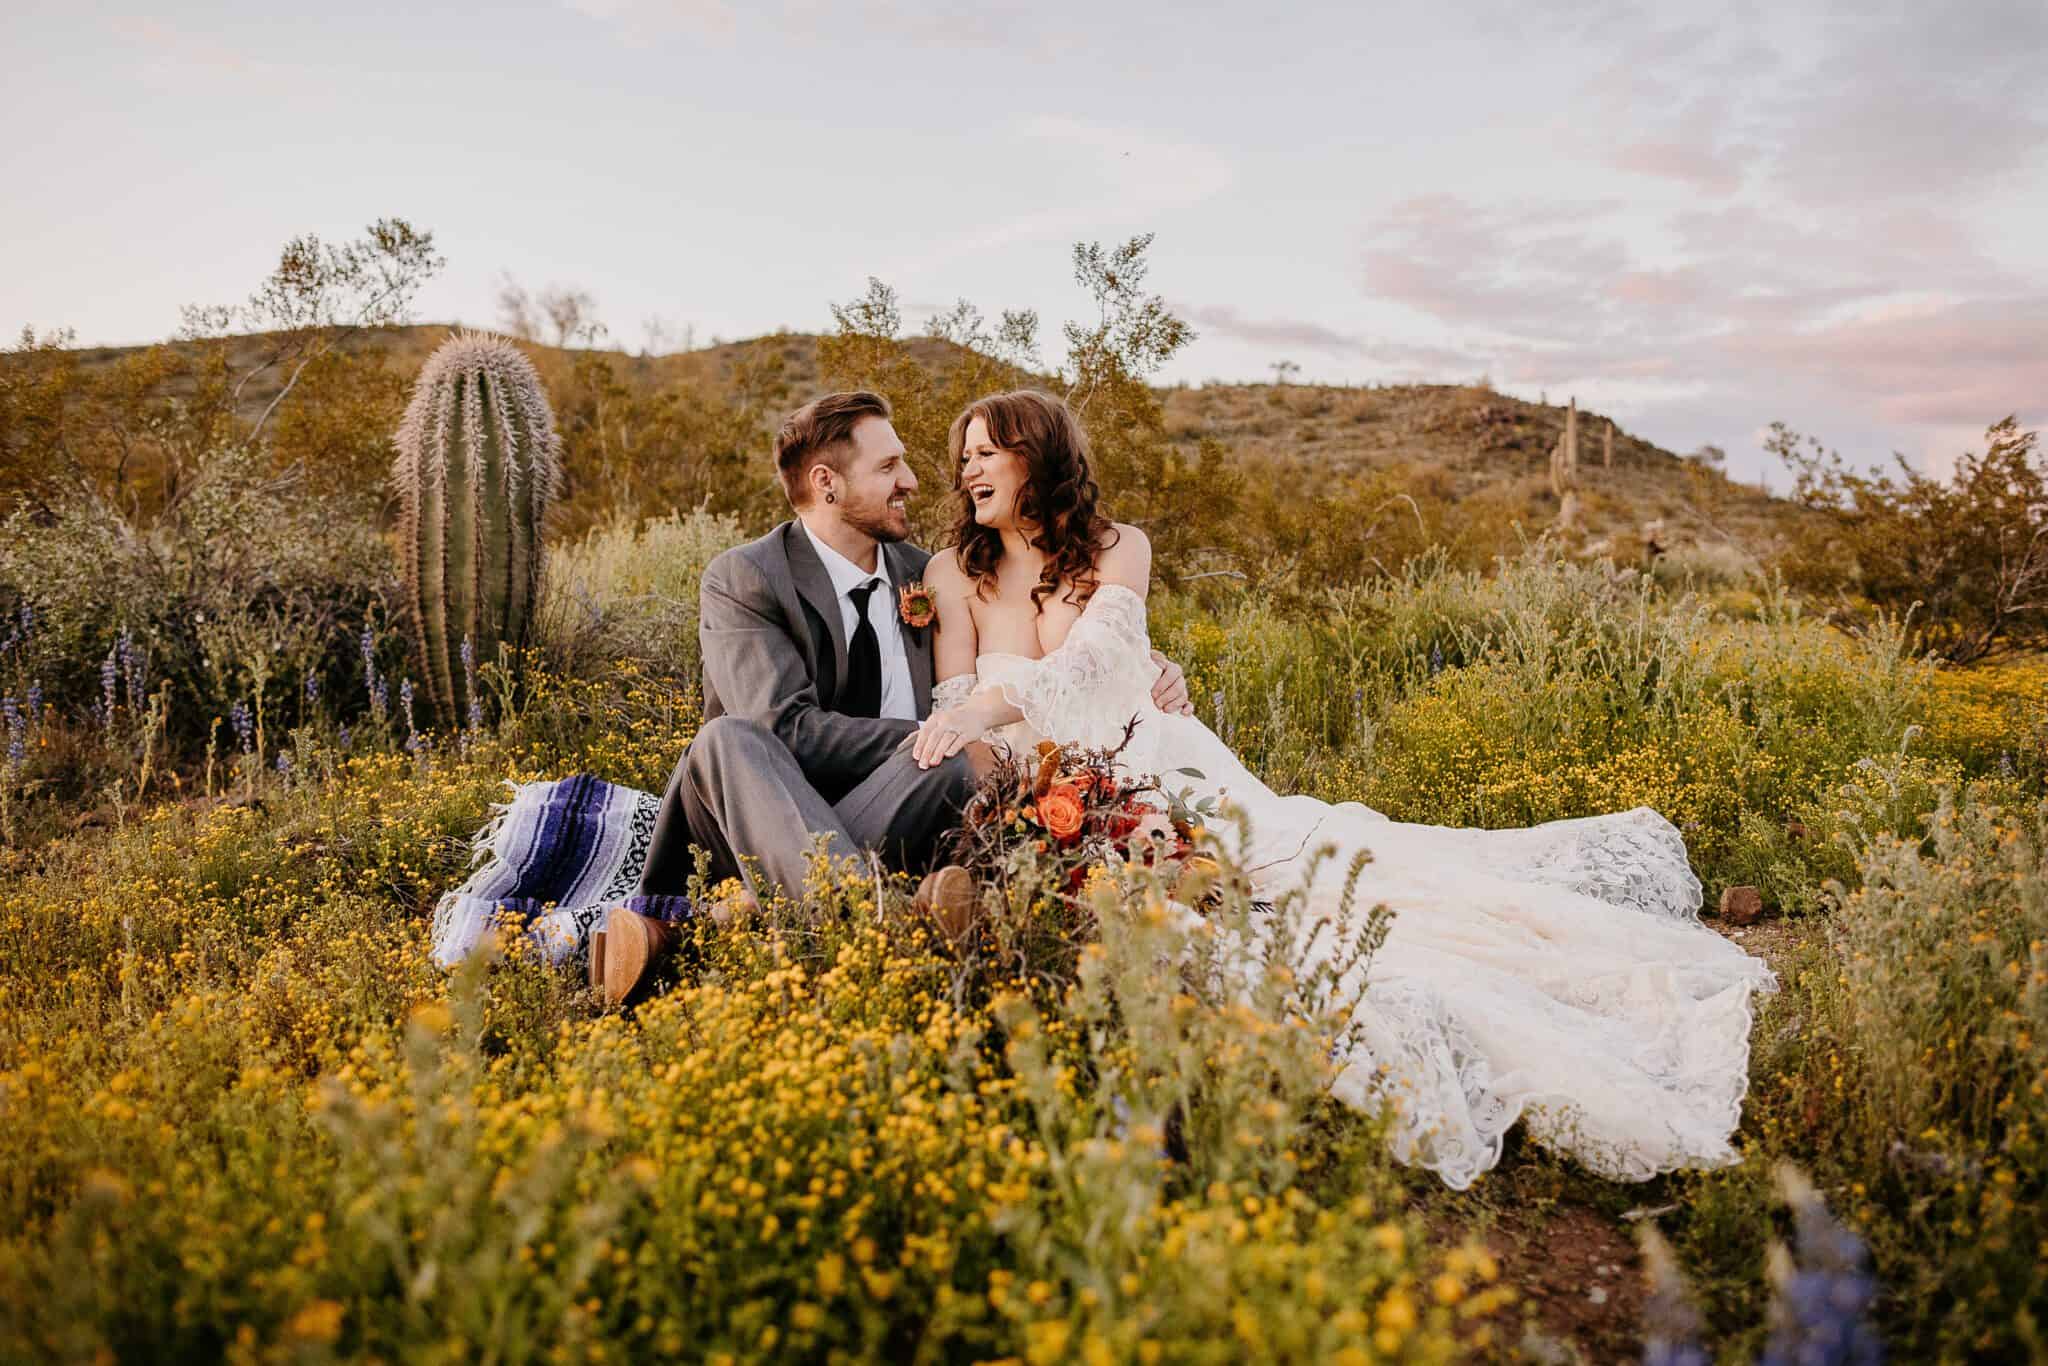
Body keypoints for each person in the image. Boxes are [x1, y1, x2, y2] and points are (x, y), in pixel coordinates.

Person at [909, 388, 1778, 1190]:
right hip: (1044, 782)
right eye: (964, 457)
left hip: (1157, 761)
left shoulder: (1117, 545)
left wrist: (1019, 697)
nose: (968, 469)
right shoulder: (954, 571)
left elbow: (1098, 661)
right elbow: (952, 701)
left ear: (1039, 456)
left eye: (987, 451)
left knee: (1311, 896)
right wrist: (1006, 797)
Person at [596, 390, 1191, 1003]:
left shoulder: (929, 572)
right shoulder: (746, 577)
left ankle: (736, 929)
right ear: (827, 483)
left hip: (889, 813)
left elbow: (1020, 657)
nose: (911, 480)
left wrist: (1140, 663)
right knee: (729, 737)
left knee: (959, 757)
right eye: (888, 468)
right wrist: (946, 733)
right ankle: (877, 930)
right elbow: (784, 728)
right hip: (759, 824)